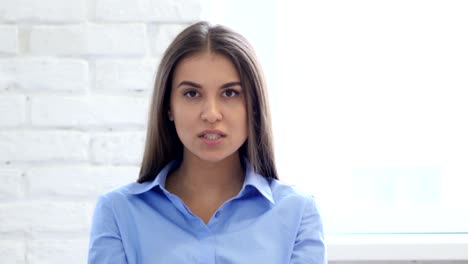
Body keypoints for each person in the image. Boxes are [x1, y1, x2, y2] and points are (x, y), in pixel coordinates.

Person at [88, 21, 326, 264]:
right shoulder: (118, 212)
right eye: (192, 94)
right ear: (168, 106)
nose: (211, 114)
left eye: (230, 93)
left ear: (253, 106)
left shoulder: (297, 214)